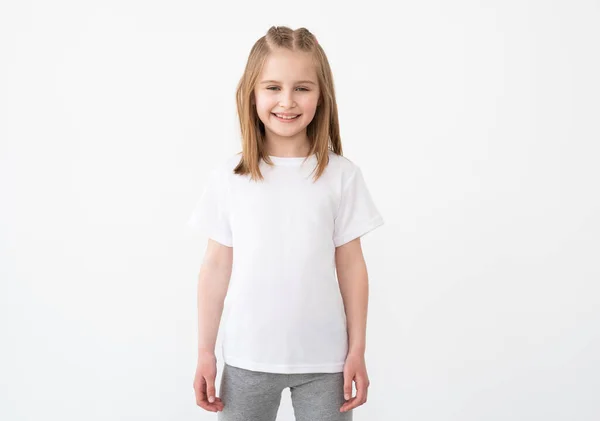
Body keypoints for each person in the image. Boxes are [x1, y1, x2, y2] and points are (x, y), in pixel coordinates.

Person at [188, 25, 384, 421]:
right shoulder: (230, 177)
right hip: (247, 359)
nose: (287, 101)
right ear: (252, 94)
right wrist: (205, 352)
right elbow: (215, 267)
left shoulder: (341, 176)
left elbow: (351, 266)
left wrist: (357, 349)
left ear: (321, 95)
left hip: (326, 363)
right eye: (273, 87)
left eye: (302, 88)